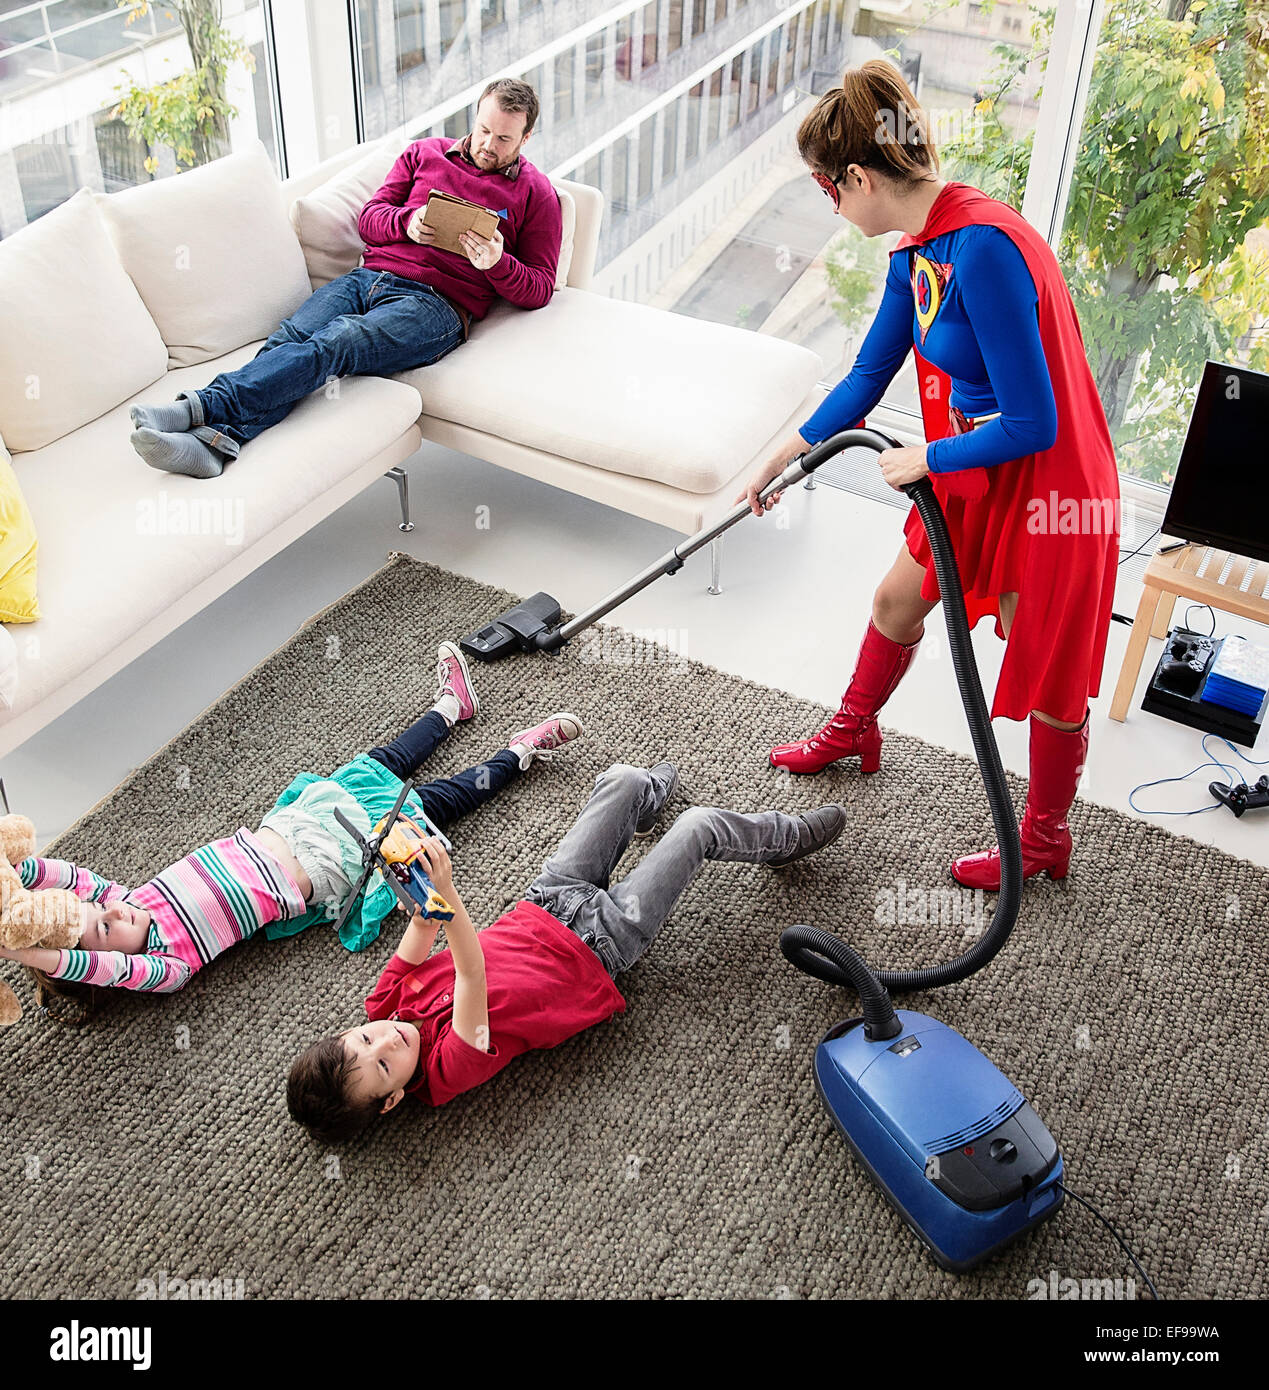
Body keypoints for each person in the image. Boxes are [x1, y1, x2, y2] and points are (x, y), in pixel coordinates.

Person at [739, 59, 1120, 891]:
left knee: (1047, 676)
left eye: (824, 188)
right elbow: (867, 374)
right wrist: (787, 453)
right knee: (893, 601)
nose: (828, 205)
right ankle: (854, 729)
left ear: (859, 177)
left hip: (1047, 487)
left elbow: (1034, 421)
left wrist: (927, 456)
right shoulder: (916, 247)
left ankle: (1045, 838)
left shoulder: (981, 247)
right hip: (973, 470)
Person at [286, 763, 849, 1141]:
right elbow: (470, 977)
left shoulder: (385, 1002)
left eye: (364, 1038)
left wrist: (415, 882)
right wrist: (448, 892)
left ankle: (641, 804)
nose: (387, 1038)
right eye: (385, 1064)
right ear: (392, 1101)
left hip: (543, 902)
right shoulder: (445, 1071)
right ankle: (783, 839)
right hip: (600, 943)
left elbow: (423, 931)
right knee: (698, 828)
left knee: (623, 780)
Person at [0, 642, 583, 997]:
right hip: (328, 862)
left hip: (293, 825)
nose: (112, 912)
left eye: (101, 912)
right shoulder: (166, 961)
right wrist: (15, 950)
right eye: (106, 930)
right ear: (111, 961)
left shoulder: (134, 898)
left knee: (381, 762)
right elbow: (75, 960)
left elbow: (69, 882)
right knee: (433, 801)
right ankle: (521, 753)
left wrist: (19, 870)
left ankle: (450, 707)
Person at [127, 77, 563, 479]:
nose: (489, 144)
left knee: (337, 341)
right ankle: (218, 447)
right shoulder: (423, 153)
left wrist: (497, 263)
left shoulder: (537, 194)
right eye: (484, 129)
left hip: (438, 306)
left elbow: (541, 287)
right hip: (368, 277)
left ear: (525, 138)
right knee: (287, 340)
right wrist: (407, 223)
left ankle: (198, 406)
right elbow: (370, 218)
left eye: (504, 138)